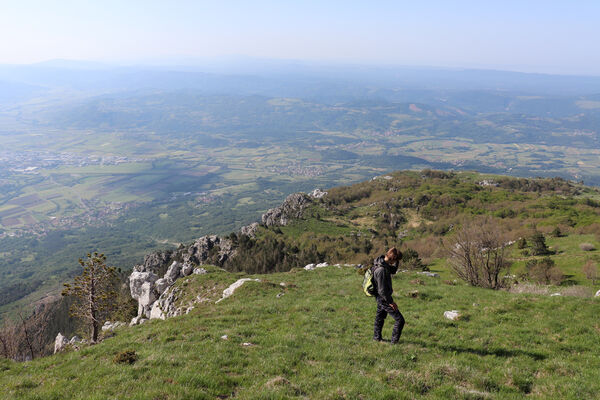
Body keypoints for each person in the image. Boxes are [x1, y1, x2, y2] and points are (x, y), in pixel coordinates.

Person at [372, 247, 405, 344]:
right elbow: (382, 291)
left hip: (380, 298)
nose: (396, 262)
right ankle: (394, 343)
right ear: (393, 257)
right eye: (396, 259)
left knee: (380, 317)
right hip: (383, 298)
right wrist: (391, 302)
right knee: (400, 320)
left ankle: (376, 338)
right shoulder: (381, 269)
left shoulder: (383, 263)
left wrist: (397, 261)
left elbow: (393, 270)